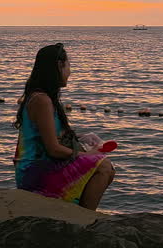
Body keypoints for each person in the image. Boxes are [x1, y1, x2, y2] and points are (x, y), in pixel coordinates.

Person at [13, 43, 115, 210]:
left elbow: (53, 137)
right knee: (103, 166)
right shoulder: (41, 100)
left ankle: (79, 213)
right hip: (36, 173)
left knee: (103, 166)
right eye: (68, 66)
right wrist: (85, 154)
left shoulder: (45, 98)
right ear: (59, 66)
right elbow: (53, 149)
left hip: (44, 165)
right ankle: (84, 218)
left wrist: (82, 139)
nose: (70, 72)